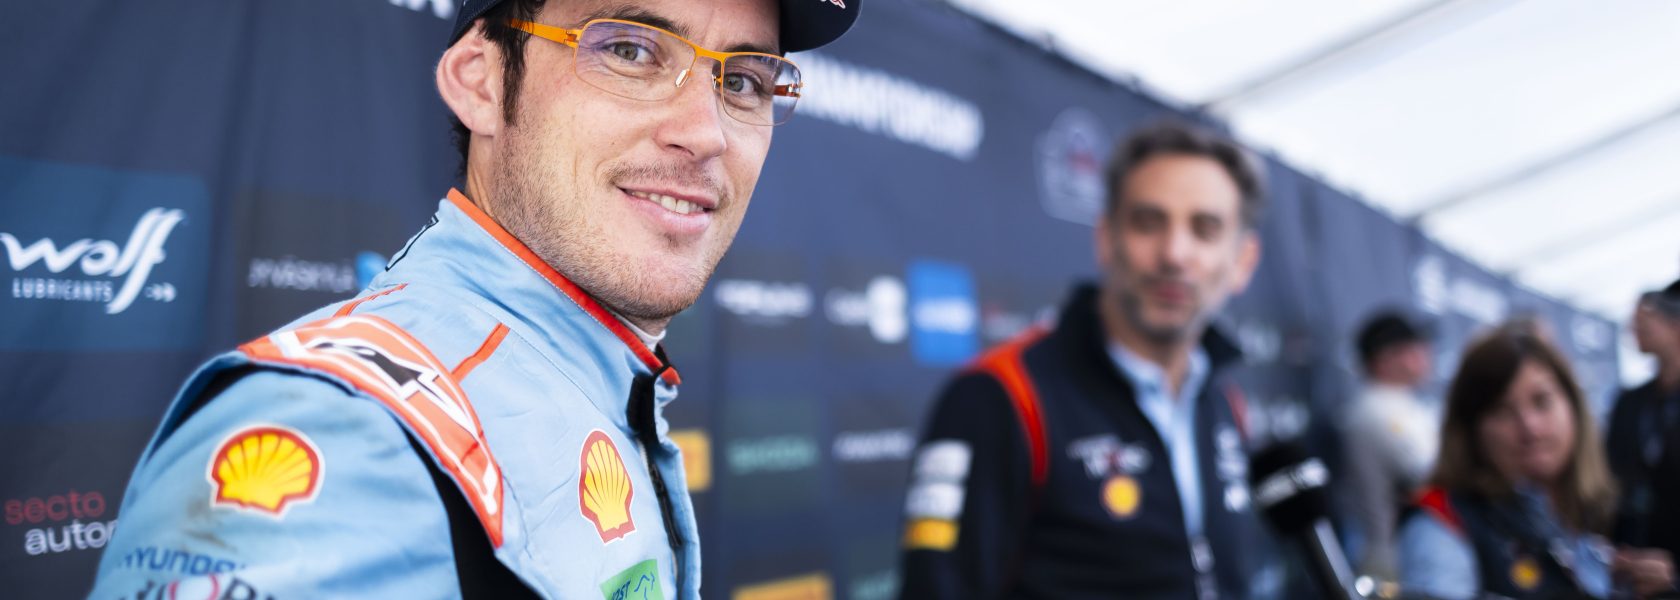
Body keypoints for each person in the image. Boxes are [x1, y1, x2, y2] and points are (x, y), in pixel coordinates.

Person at [88, 0, 860, 597]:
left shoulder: (595, 380)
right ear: (481, 82)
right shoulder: (344, 436)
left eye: (745, 80)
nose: (706, 132)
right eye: (630, 49)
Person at [897, 121, 1268, 599]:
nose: (1175, 254)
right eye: (1148, 222)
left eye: (1205, 229)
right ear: (1106, 239)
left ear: (1242, 261)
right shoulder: (1002, 393)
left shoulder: (1224, 401)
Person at [1396, 326, 1676, 599]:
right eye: (1502, 410)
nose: (1530, 428)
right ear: (1471, 429)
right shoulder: (1444, 520)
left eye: (1542, 402)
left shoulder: (1606, 514)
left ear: (1572, 405)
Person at [1340, 310, 1438, 580]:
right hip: (1393, 564)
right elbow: (1430, 477)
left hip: (1412, 556)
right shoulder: (1375, 410)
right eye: (1412, 348)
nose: (1424, 354)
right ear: (1384, 358)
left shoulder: (1402, 404)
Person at [1606, 281, 1680, 557]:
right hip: (1633, 548)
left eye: (1645, 319)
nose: (1635, 328)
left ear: (1675, 326)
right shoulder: (1631, 402)